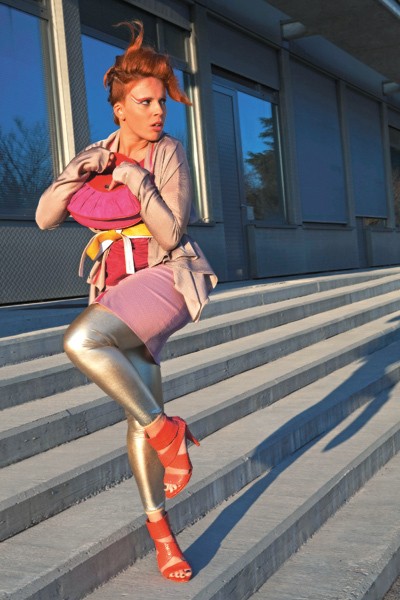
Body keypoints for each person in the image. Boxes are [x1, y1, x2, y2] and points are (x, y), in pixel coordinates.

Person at [36, 20, 217, 583]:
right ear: (120, 109)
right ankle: (162, 534)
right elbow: (44, 217)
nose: (159, 111)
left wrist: (137, 178)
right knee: (140, 409)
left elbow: (171, 233)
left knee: (81, 339)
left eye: (162, 102)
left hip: (165, 279)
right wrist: (77, 172)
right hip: (114, 289)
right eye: (146, 102)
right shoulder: (96, 151)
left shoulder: (169, 153)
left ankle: (169, 434)